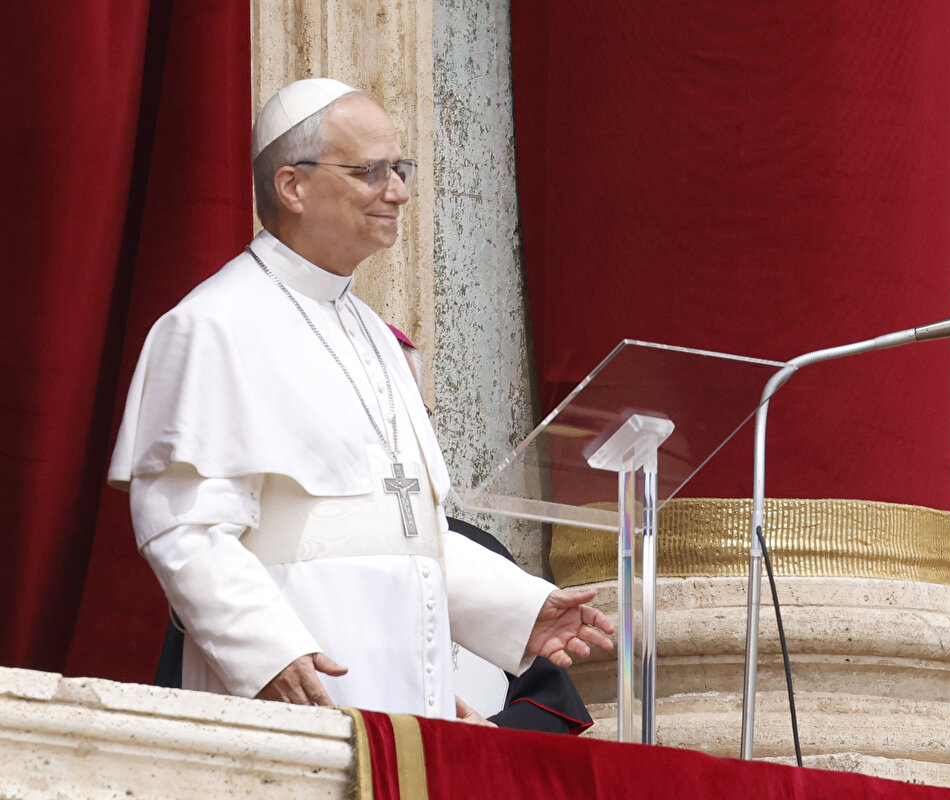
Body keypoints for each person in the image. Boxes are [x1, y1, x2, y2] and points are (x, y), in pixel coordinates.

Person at [108, 77, 613, 720]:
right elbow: (185, 527)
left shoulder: (375, 335)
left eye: (400, 169)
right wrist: (266, 653)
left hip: (401, 702)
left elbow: (400, 534)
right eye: (371, 171)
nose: (398, 191)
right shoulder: (212, 326)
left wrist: (520, 607)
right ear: (292, 186)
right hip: (292, 693)